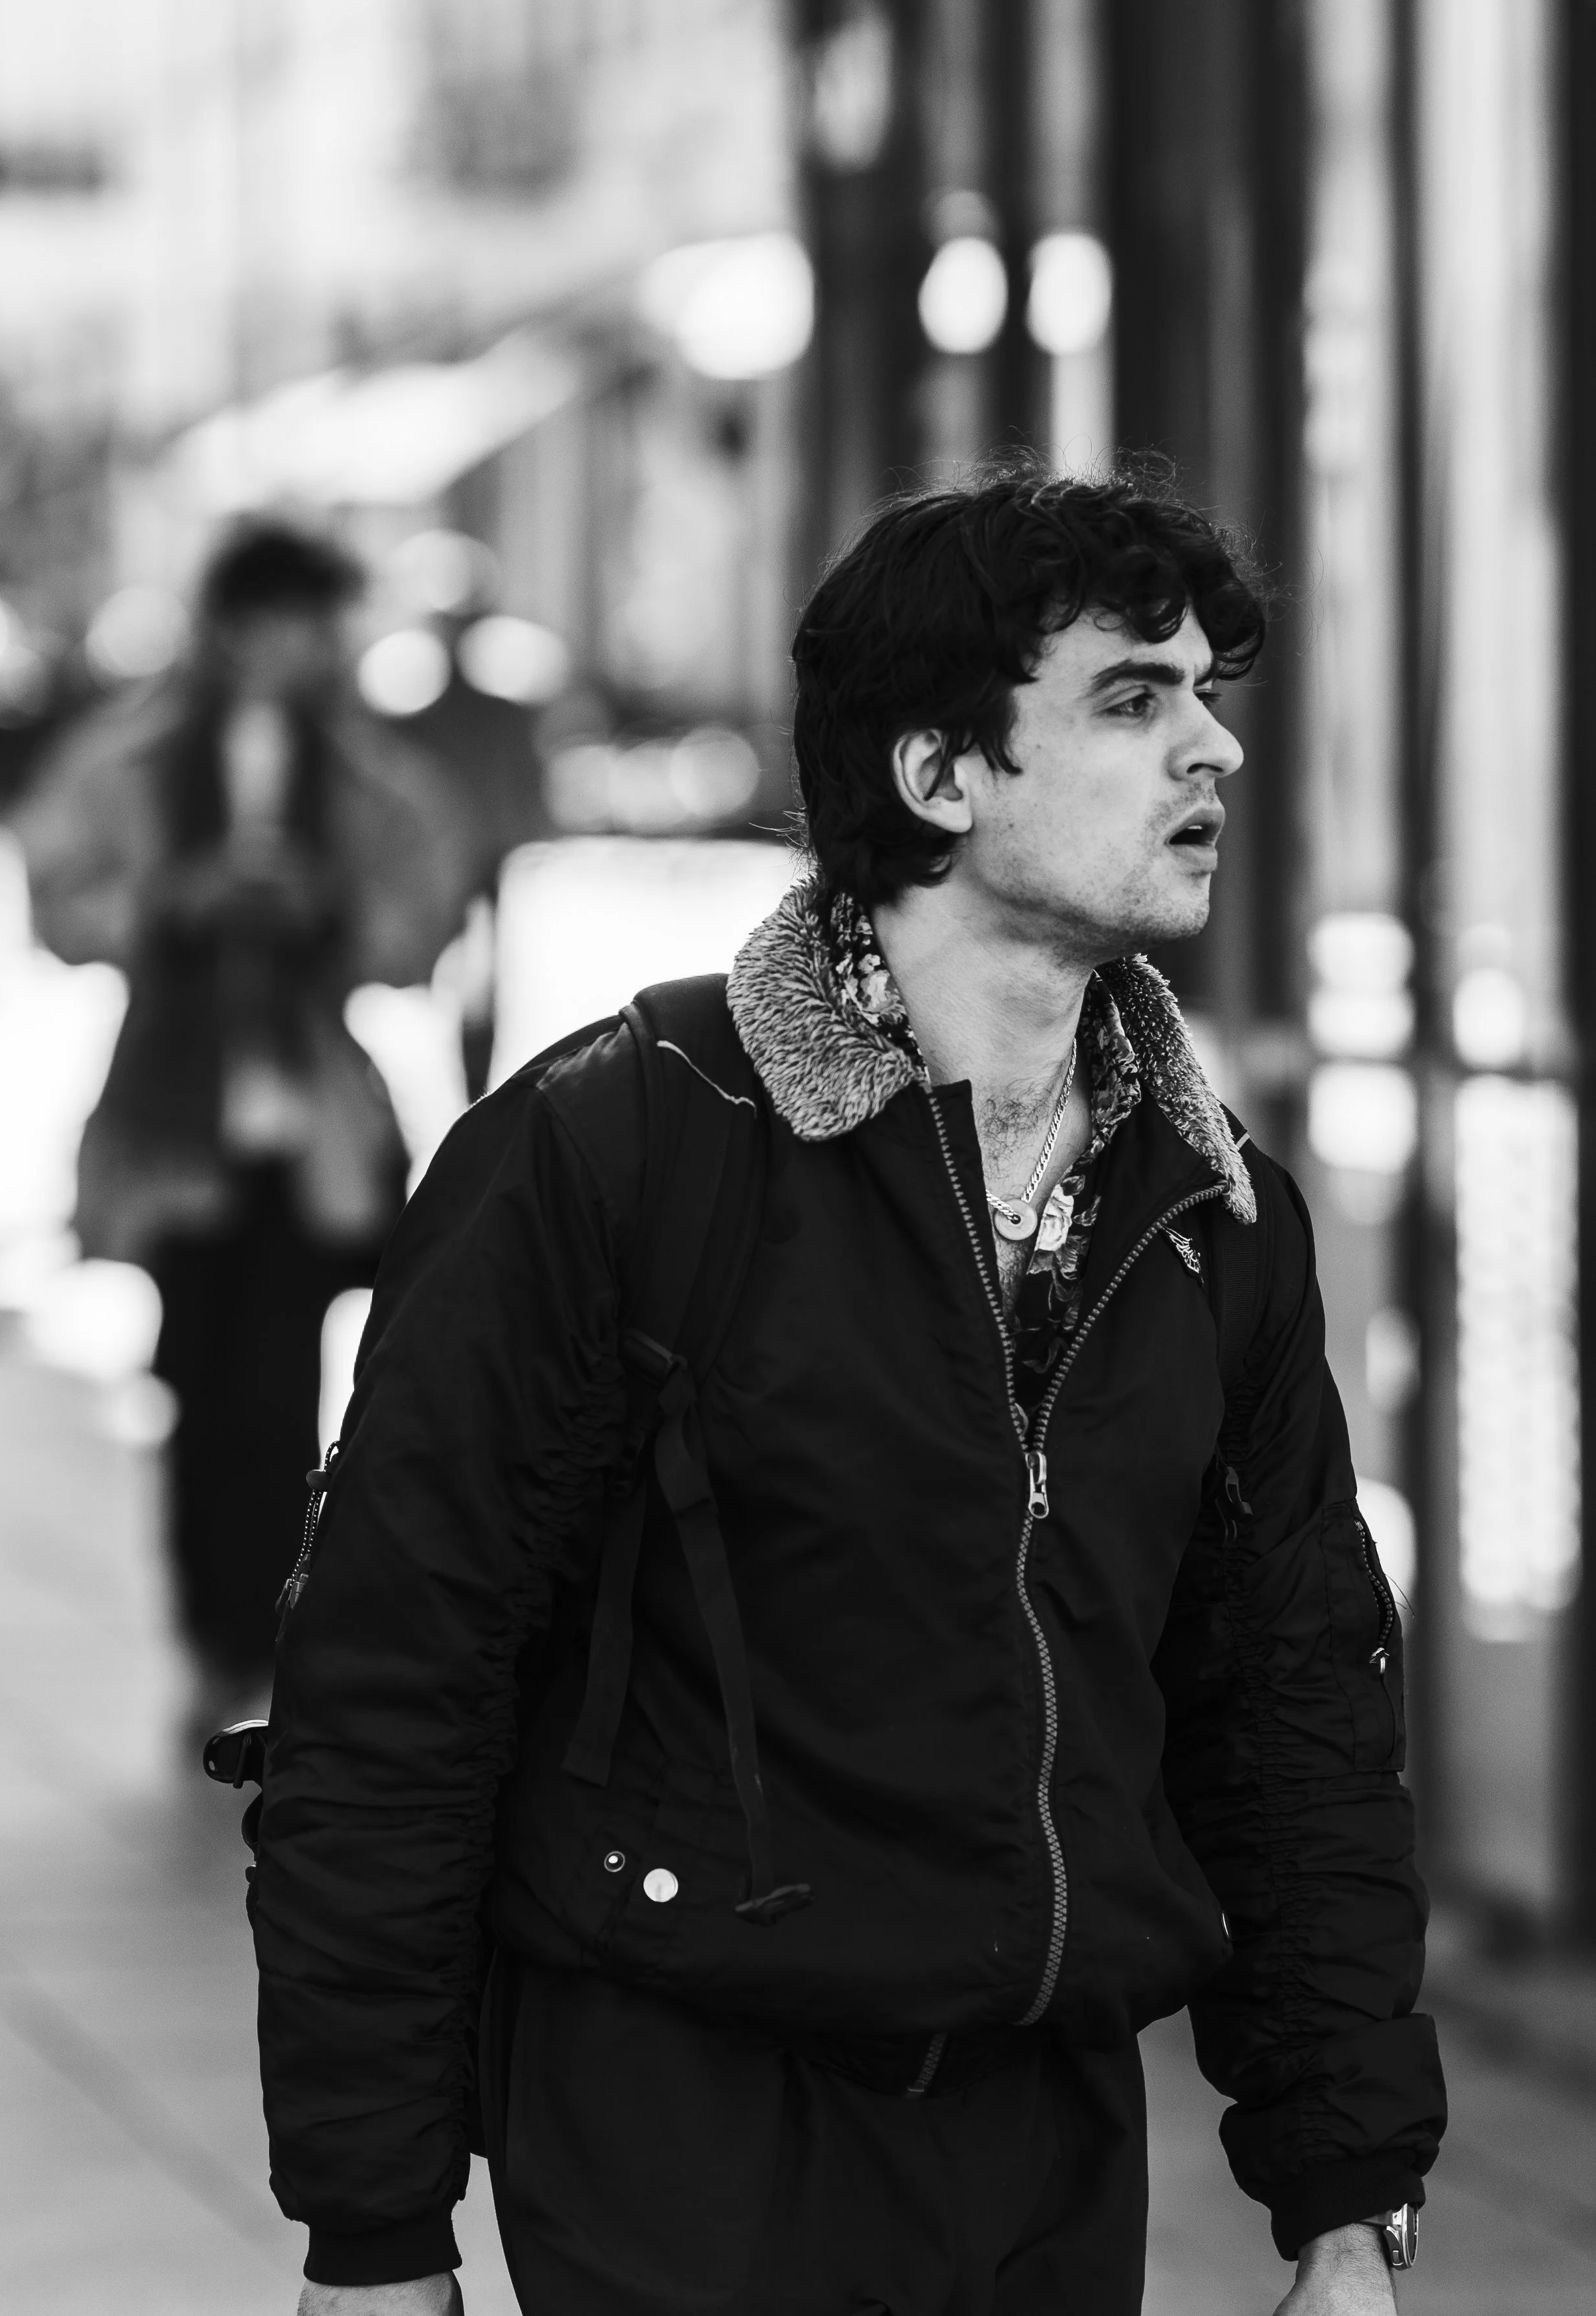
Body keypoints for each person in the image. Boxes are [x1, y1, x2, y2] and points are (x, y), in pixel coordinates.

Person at [250, 467, 1445, 2316]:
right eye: (1131, 698)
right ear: (936, 773)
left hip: (1047, 2132)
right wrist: (375, 2224)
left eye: (1209, 689)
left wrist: (1347, 2197)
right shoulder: (619, 1149)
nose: (1207, 743)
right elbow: (390, 1688)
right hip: (683, 2121)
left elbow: (1289, 1700)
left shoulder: (1207, 1210)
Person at [17, 518, 471, 1733]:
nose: (302, 649)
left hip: (311, 1117)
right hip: (174, 1118)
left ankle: (261, 1637)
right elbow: (57, 902)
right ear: (229, 623)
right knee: (197, 1378)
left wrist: (325, 908)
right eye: (284, 621)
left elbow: (420, 917)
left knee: (275, 1387)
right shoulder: (131, 756)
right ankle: (221, 1629)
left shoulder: (369, 769)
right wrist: (177, 901)